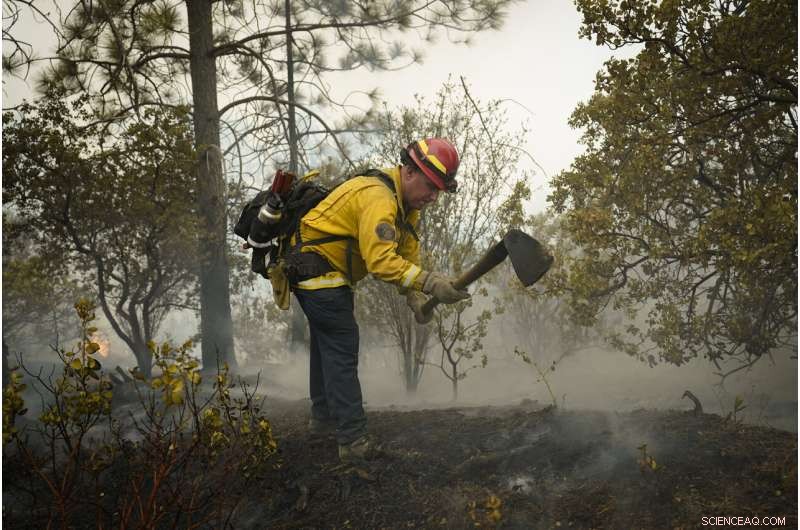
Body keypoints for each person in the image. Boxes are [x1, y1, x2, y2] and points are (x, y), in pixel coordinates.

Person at [289, 138, 470, 463]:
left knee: (327, 339)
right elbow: (381, 261)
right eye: (431, 186)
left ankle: (323, 419)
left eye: (439, 190)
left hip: (319, 266)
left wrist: (415, 296)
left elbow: (406, 254)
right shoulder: (380, 198)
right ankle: (353, 441)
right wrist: (431, 283)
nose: (433, 196)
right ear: (409, 172)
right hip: (314, 264)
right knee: (341, 340)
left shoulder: (407, 207)